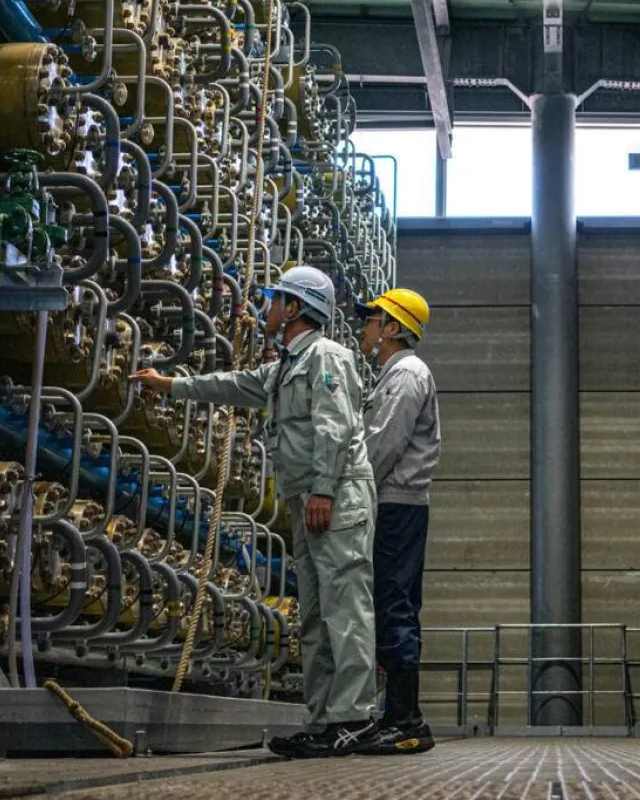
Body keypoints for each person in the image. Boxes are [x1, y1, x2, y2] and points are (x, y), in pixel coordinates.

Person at [132, 265, 379, 758]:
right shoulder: (286, 366)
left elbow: (335, 428)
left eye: (274, 299)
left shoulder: (326, 357)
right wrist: (169, 385)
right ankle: (325, 720)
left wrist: (325, 492)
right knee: (314, 615)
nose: (266, 308)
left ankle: (354, 718)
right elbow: (232, 384)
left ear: (294, 308)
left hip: (333, 499)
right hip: (308, 499)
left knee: (344, 609)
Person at [350, 288, 441, 756]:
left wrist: (350, 495)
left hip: (396, 504)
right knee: (392, 604)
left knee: (394, 605)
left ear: (391, 329)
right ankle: (395, 716)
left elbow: (380, 448)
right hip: (398, 502)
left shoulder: (405, 375)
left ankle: (406, 719)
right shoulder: (393, 374)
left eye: (372, 320)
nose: (364, 327)